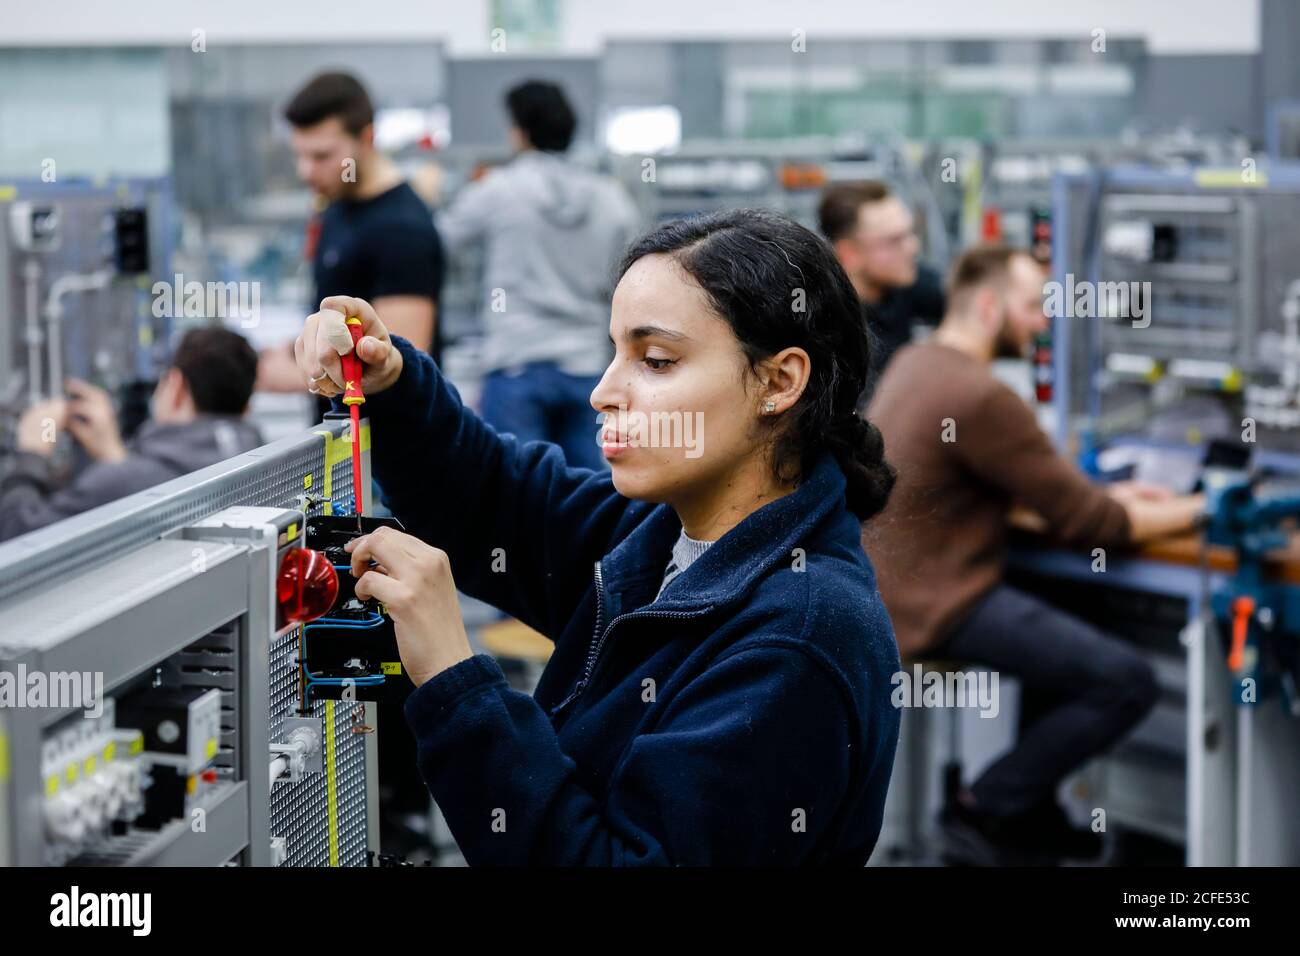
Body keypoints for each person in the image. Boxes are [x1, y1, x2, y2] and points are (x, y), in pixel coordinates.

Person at [294, 209, 901, 865]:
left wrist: (454, 677)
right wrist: (391, 382)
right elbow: (495, 497)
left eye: (657, 360)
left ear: (779, 382)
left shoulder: (798, 639)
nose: (604, 392)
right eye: (614, 353)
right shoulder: (663, 537)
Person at [861, 245, 1205, 866]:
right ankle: (984, 805)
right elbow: (1093, 522)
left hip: (890, 590)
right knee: (1124, 680)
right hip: (932, 604)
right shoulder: (980, 395)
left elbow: (1026, 488)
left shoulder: (917, 361)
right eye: (1030, 307)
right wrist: (1204, 507)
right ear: (990, 308)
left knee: (1072, 600)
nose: (1043, 322)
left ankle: (1027, 813)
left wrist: (1103, 492)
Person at [437, 79, 639, 471]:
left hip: (516, 364)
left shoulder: (500, 189)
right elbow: (634, 277)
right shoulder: (612, 199)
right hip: (590, 368)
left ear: (521, 132)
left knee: (516, 495)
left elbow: (438, 240)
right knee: (595, 498)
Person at [258, 71, 444, 396]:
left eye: (322, 156)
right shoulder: (336, 207)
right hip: (342, 436)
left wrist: (293, 376)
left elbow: (395, 368)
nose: (305, 171)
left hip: (386, 444)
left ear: (367, 139)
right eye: (298, 154)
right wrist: (293, 350)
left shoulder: (403, 230)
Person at [0, 327, 263, 541]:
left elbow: (17, 532)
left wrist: (33, 451)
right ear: (246, 406)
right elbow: (143, 482)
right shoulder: (255, 458)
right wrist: (116, 457)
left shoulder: (125, 481)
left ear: (175, 385)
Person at [817, 181, 945, 393]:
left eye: (909, 233)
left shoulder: (909, 283)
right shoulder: (830, 333)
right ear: (850, 254)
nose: (913, 247)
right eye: (895, 240)